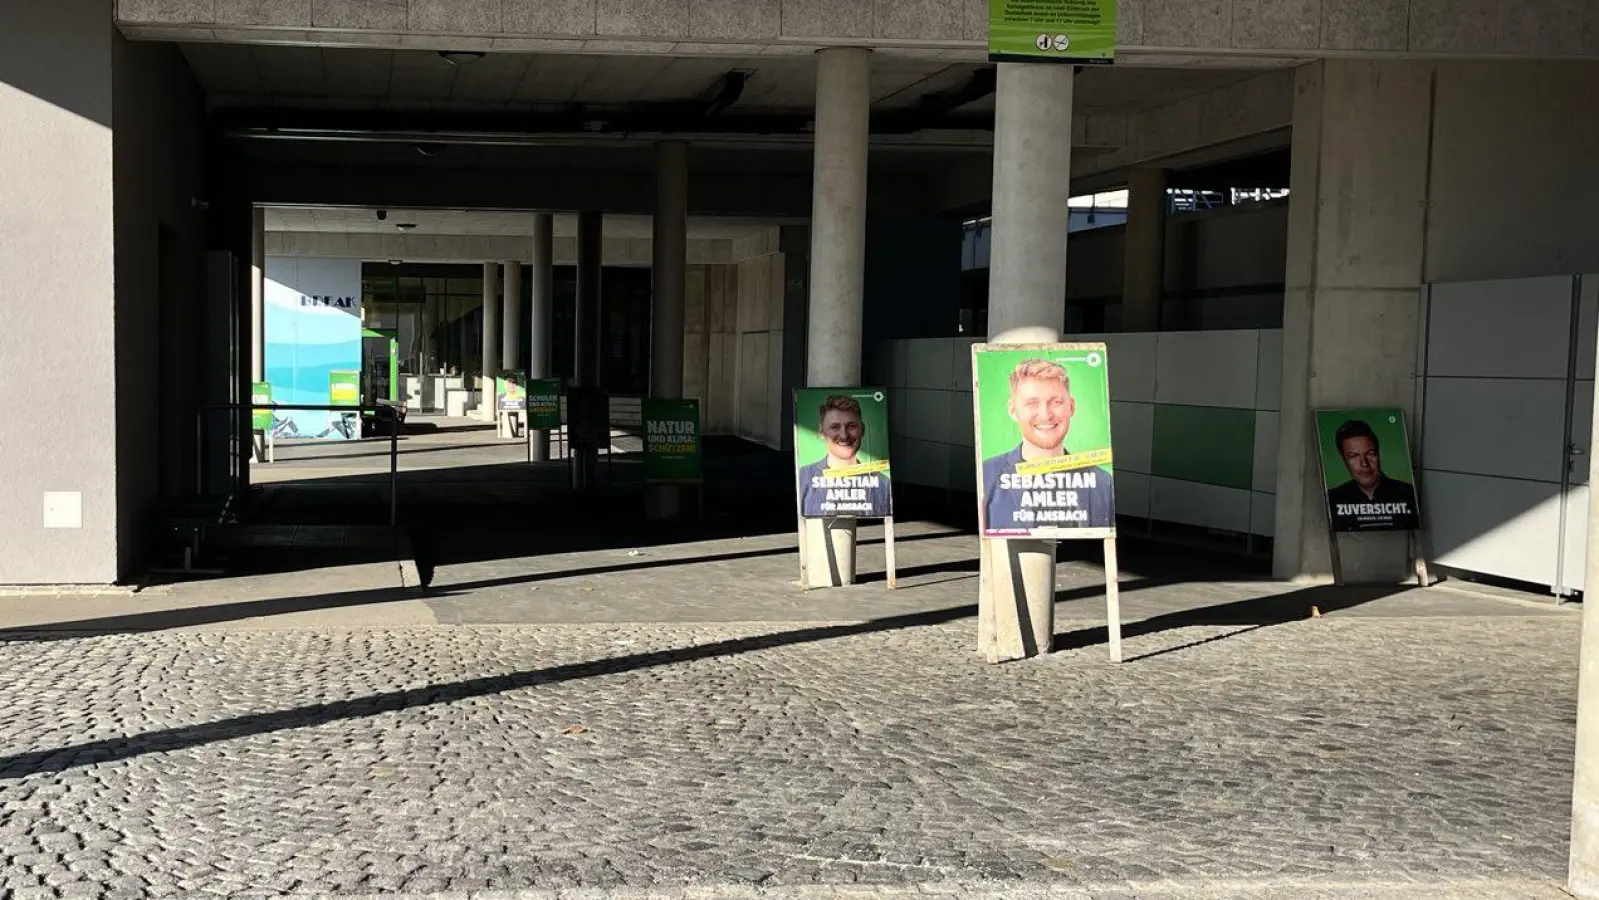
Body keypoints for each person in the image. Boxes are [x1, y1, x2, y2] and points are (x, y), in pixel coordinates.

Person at [981, 358, 1114, 533]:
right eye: (1032, 403)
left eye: (1056, 402)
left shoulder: (1102, 484)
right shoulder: (985, 477)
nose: (1045, 415)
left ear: (1071, 407)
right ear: (1013, 410)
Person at [798, 394, 892, 518]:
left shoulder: (883, 484)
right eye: (835, 427)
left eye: (851, 426)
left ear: (862, 430)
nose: (844, 435)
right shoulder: (802, 478)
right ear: (821, 432)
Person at [1326, 419, 1419, 530]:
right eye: (1353, 456)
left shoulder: (1409, 494)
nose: (1364, 463)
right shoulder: (1331, 499)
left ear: (1378, 455)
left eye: (1370, 454)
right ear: (1344, 460)